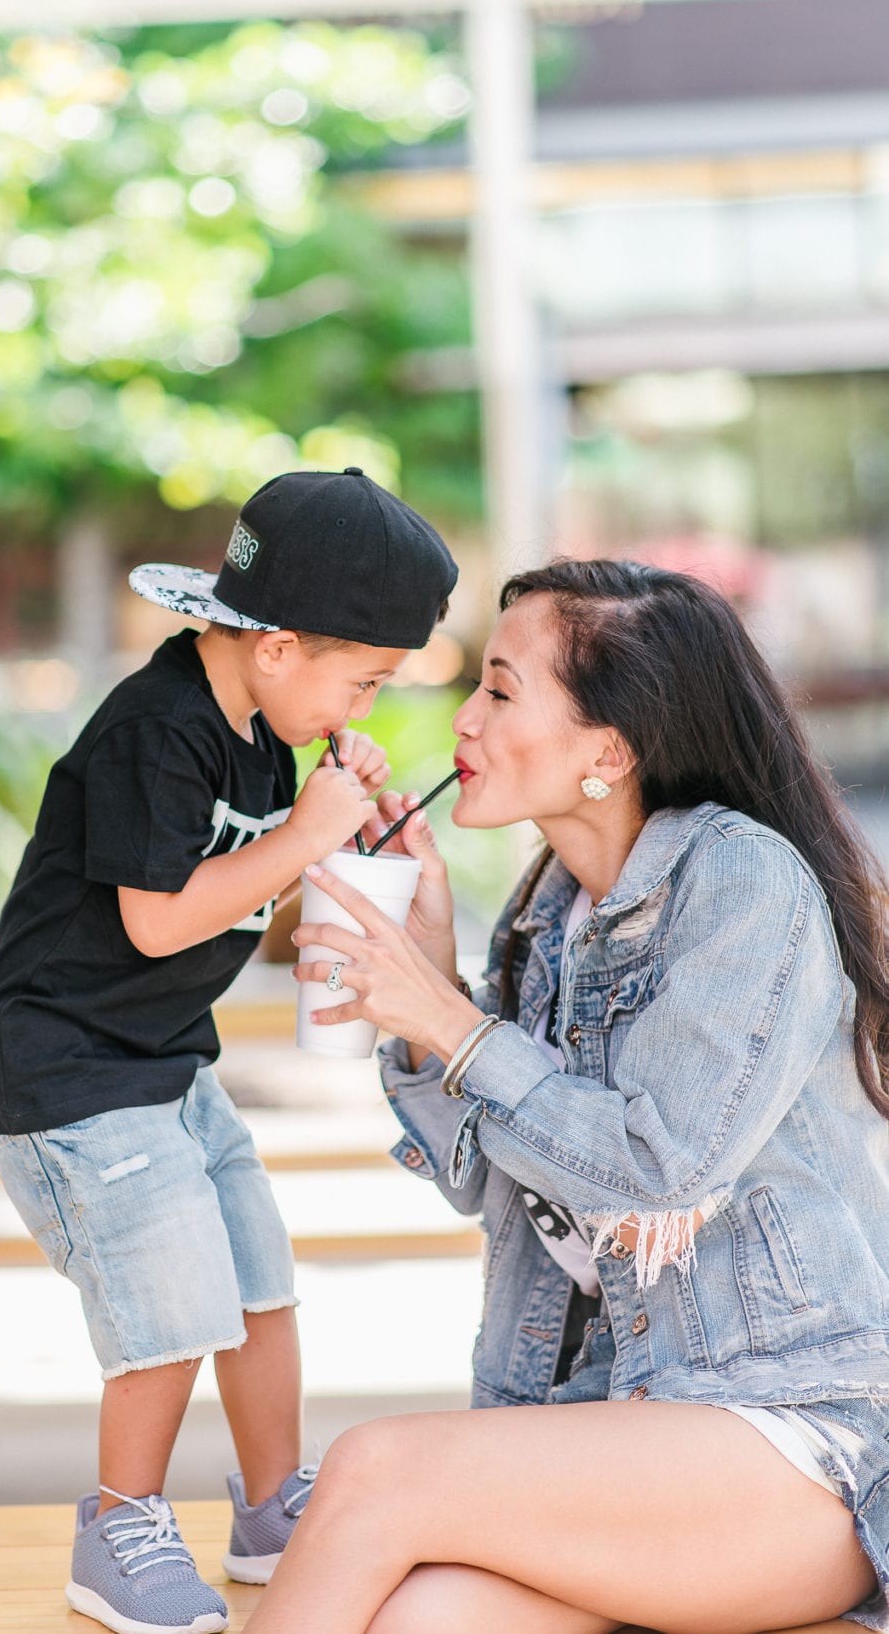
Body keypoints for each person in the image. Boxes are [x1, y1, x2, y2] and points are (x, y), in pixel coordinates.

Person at [260, 557, 889, 1634]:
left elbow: (662, 1169)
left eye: (501, 690)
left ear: (609, 749)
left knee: (373, 1471)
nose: (463, 719)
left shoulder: (742, 881)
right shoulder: (548, 915)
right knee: (422, 1617)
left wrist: (456, 1026)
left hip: (795, 1442)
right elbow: (484, 1176)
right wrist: (437, 994)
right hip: (617, 1430)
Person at [0, 467, 458, 1634]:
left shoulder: (265, 733)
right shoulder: (159, 729)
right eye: (366, 681)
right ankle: (120, 1524)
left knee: (256, 1278)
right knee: (171, 1300)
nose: (368, 710)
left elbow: (254, 910)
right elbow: (160, 918)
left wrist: (343, 842)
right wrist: (300, 834)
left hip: (165, 1059)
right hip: (68, 1068)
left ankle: (271, 1508)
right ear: (278, 647)